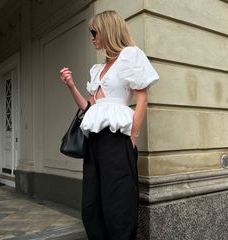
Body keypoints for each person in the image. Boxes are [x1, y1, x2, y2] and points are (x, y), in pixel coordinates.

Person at [59, 10, 159, 240]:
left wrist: (133, 136)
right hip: (94, 142)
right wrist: (71, 86)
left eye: (94, 32)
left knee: (118, 204)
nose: (92, 37)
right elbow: (89, 107)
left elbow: (142, 98)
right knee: (92, 205)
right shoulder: (97, 69)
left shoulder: (131, 56)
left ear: (108, 30)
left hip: (117, 142)